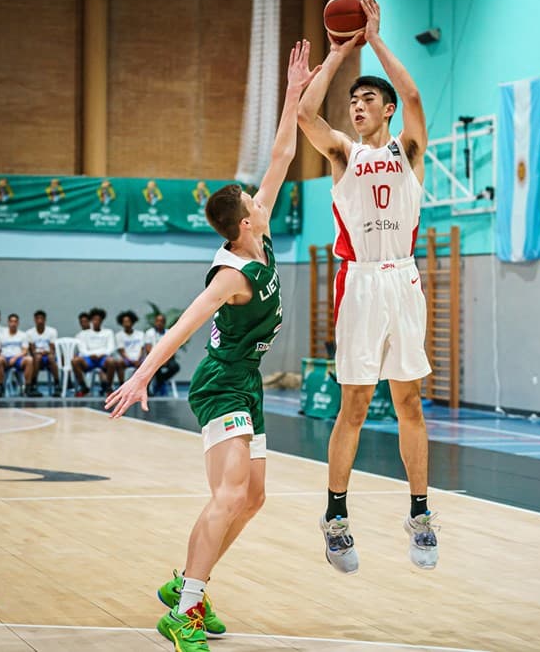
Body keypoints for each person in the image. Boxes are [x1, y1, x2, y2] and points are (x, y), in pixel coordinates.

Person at [105, 40, 318, 652]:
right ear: (245, 223)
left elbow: (282, 152)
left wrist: (291, 93)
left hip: (245, 381)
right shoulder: (232, 276)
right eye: (253, 202)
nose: (260, 198)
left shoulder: (262, 233)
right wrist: (144, 374)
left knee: (252, 497)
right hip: (221, 380)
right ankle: (187, 611)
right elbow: (182, 326)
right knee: (228, 495)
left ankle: (184, 585)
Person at [298, 0, 436, 574]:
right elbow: (306, 115)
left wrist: (375, 40)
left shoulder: (407, 149)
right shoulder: (341, 154)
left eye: (366, 99)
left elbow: (415, 97)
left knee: (409, 403)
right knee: (353, 404)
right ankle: (335, 519)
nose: (357, 106)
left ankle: (422, 515)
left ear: (384, 111)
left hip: (402, 278)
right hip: (360, 283)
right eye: (352, 101)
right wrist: (335, 57)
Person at [72, 307, 116, 396]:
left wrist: (102, 354)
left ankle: (108, 387)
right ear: (91, 320)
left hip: (103, 358)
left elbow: (111, 348)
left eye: (99, 319)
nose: (96, 321)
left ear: (102, 320)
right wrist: (91, 355)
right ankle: (84, 387)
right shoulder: (84, 333)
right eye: (94, 319)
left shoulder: (108, 332)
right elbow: (82, 349)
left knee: (111, 361)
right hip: (89, 359)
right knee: (75, 361)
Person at [0, 313, 40, 397]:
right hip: (6, 358)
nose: (13, 323)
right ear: (8, 322)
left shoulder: (23, 335)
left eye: (15, 321)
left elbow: (25, 350)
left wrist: (15, 358)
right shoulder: (1, 335)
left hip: (18, 358)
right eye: (11, 321)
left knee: (29, 360)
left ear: (18, 323)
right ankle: (0, 388)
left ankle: (27, 388)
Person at [144, 312, 180, 396]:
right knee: (154, 367)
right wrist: (158, 360)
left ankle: (160, 382)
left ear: (164, 323)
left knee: (175, 367)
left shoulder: (169, 332)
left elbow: (173, 348)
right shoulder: (149, 333)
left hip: (167, 358)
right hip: (153, 359)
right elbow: (148, 348)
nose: (159, 323)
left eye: (161, 321)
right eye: (157, 321)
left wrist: (165, 359)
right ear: (155, 322)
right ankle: (151, 390)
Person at [27, 310, 60, 396]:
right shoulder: (29, 333)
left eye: (42, 318)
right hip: (36, 358)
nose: (40, 321)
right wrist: (38, 352)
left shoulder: (52, 331)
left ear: (45, 320)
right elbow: (32, 350)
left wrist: (47, 352)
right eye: (38, 318)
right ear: (34, 320)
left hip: (48, 356)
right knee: (37, 357)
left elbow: (53, 349)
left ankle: (57, 384)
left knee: (51, 357)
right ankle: (33, 384)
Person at [114, 310, 146, 384]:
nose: (126, 323)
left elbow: (142, 349)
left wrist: (138, 360)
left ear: (132, 322)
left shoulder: (140, 334)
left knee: (147, 363)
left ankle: (144, 387)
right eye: (124, 321)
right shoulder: (119, 335)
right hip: (126, 360)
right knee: (118, 362)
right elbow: (121, 351)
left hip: (139, 359)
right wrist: (130, 360)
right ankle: (121, 384)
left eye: (128, 321)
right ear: (121, 323)